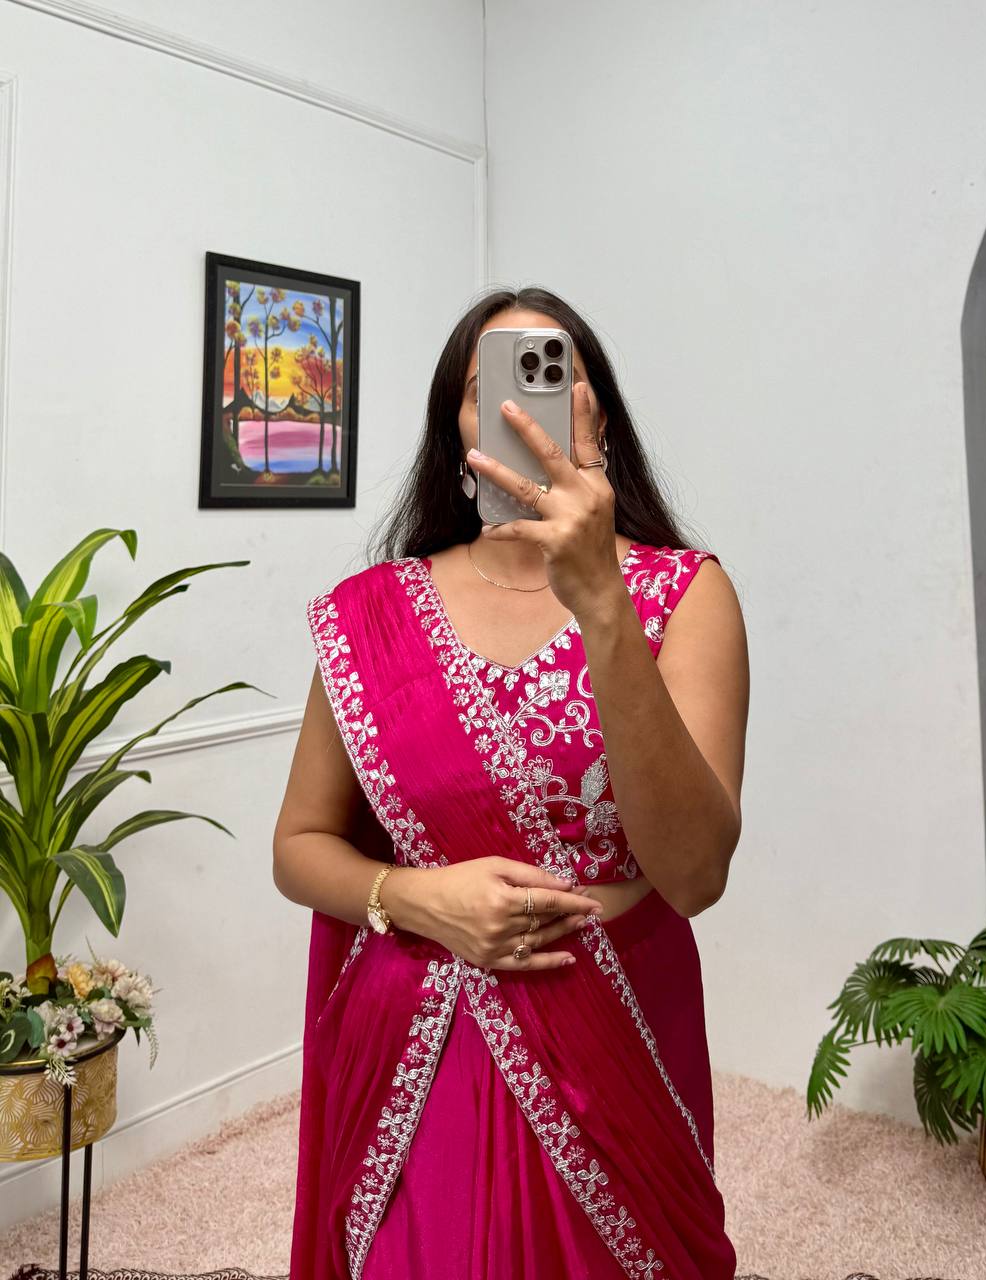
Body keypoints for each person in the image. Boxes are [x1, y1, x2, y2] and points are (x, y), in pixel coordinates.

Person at [274, 285, 749, 1279]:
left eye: (552, 372)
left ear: (599, 414)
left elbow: (695, 874)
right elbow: (300, 845)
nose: (519, 402)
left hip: (614, 1029)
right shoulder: (372, 613)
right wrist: (415, 896)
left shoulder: (682, 594)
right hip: (417, 1032)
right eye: (486, 384)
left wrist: (601, 602)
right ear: (455, 427)